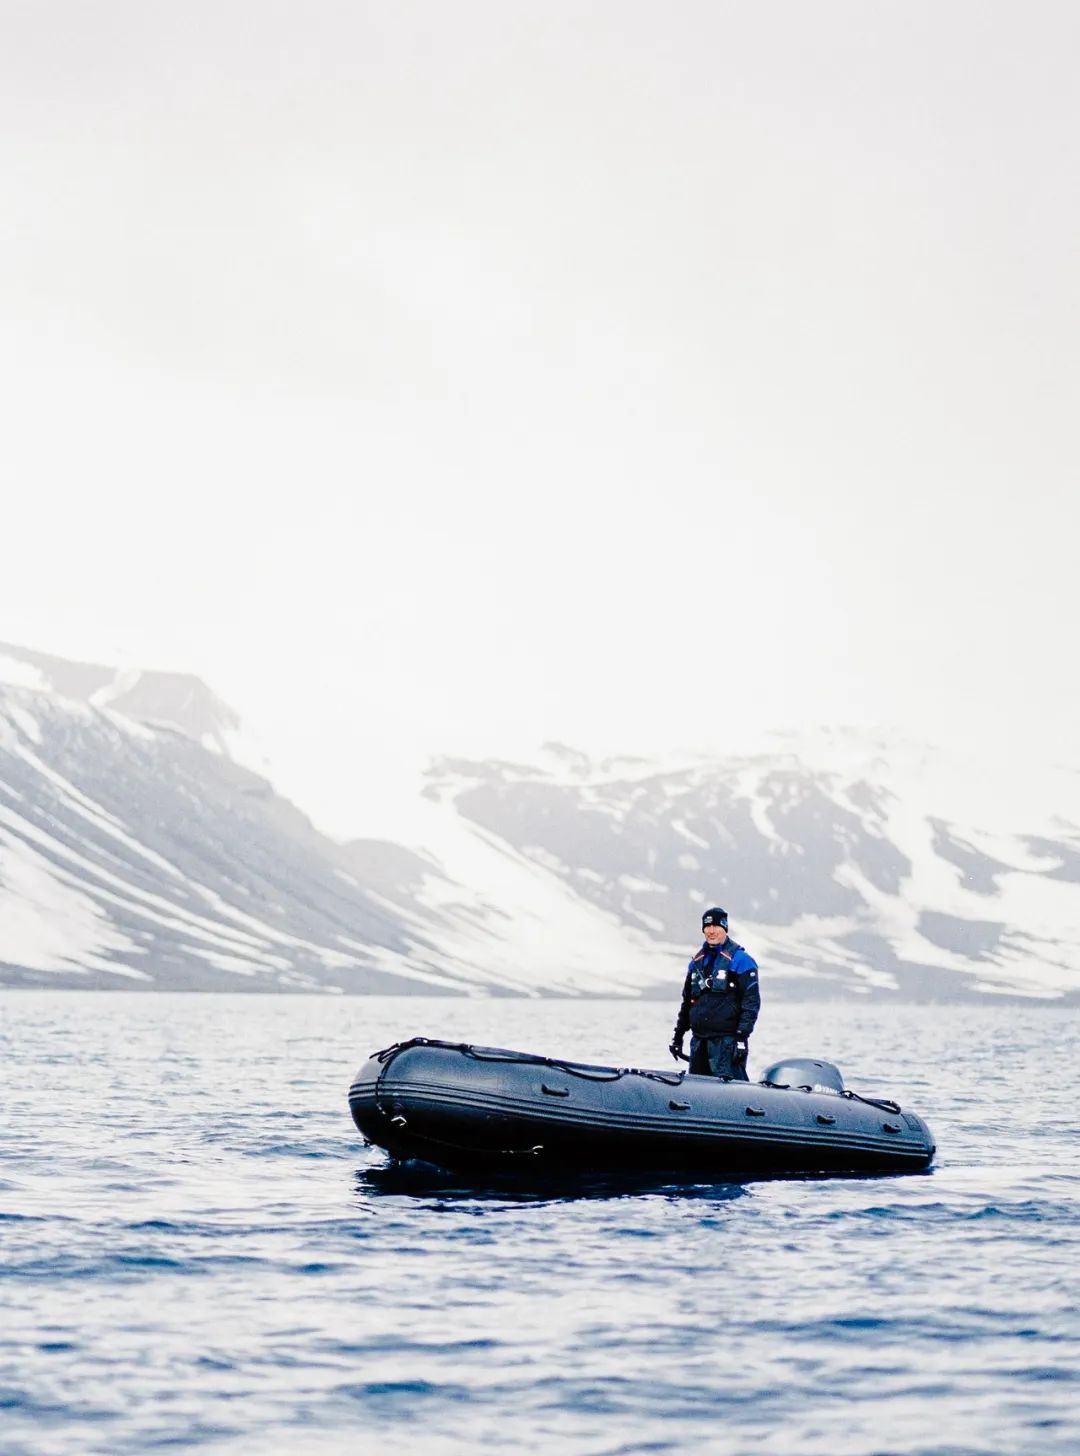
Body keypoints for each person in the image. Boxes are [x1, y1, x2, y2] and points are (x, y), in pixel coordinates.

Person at [669, 907, 760, 1080]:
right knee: (698, 1095)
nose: (711, 931)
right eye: (707, 927)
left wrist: (741, 1038)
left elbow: (751, 1004)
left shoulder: (742, 961)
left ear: (725, 928)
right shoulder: (696, 963)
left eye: (716, 926)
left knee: (730, 1096)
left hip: (726, 1044)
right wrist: (678, 1037)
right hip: (699, 1043)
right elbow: (687, 1003)